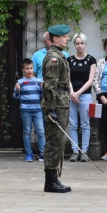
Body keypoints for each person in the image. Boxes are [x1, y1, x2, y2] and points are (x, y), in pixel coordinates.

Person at [41, 24, 73, 193]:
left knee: (59, 141)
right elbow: (50, 86)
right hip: (56, 104)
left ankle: (55, 177)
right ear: (55, 38)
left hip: (61, 103)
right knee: (54, 142)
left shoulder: (59, 55)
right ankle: (50, 180)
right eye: (64, 36)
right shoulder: (54, 58)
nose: (67, 39)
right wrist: (51, 107)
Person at [67, 33, 97, 161]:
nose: (80, 46)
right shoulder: (69, 60)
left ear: (85, 44)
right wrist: (72, 92)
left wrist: (78, 93)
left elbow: (91, 80)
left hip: (85, 95)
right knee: (72, 124)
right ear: (74, 45)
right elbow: (67, 78)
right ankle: (75, 151)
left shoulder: (91, 60)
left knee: (85, 124)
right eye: (77, 43)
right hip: (72, 95)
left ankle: (84, 151)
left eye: (82, 43)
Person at [14, 58, 45, 162]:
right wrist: (18, 90)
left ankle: (42, 154)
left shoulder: (39, 81)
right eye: (27, 68)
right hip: (25, 110)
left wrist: (43, 89)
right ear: (23, 69)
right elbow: (15, 97)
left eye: (31, 68)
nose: (29, 70)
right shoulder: (20, 82)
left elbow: (42, 96)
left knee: (41, 131)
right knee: (27, 132)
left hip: (37, 110)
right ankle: (29, 153)